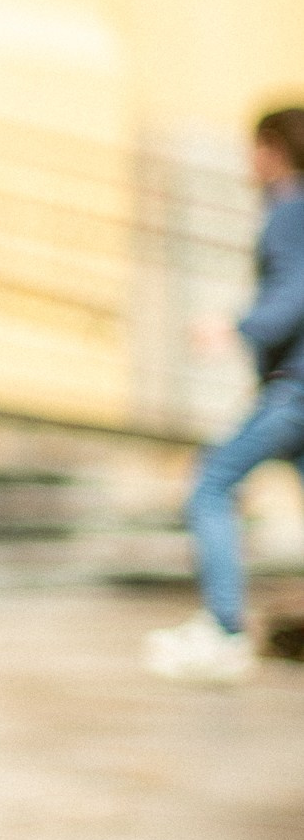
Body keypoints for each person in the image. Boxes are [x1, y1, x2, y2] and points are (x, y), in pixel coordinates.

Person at [146, 104, 304, 686]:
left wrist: (239, 326)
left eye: (252, 148)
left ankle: (225, 632)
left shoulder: (289, 211)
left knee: (212, 481)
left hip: (294, 390)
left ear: (271, 150)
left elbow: (297, 289)